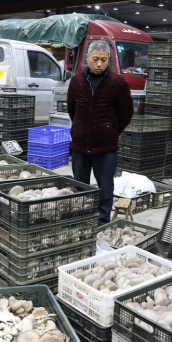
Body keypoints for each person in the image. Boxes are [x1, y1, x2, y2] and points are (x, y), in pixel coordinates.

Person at [67, 40, 134, 226]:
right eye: (95, 59)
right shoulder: (76, 82)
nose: (99, 64)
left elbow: (126, 114)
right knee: (80, 188)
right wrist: (81, 128)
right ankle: (80, 222)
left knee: (105, 189)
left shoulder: (118, 83)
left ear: (109, 60)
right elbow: (73, 110)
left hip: (106, 148)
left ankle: (101, 225)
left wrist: (110, 131)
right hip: (80, 146)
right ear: (87, 58)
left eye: (104, 60)